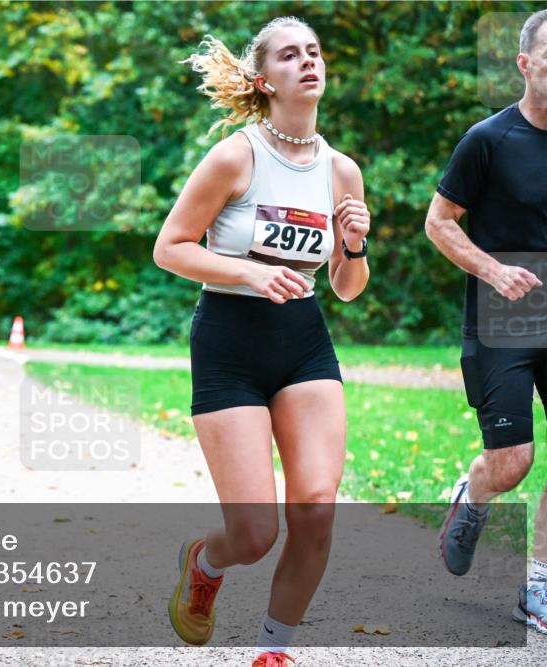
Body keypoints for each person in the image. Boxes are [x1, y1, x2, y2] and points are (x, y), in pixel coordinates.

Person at [153, 16, 371, 666]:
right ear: (262, 79)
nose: (308, 62)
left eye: (314, 52)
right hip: (228, 339)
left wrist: (354, 244)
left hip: (303, 341)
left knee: (316, 506)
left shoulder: (342, 171)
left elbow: (348, 286)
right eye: (289, 55)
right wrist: (249, 270)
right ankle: (205, 560)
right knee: (253, 533)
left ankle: (273, 650)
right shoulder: (235, 156)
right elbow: (169, 248)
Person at [426, 9, 547, 634]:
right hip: (505, 311)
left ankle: (538, 585)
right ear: (525, 64)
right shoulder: (488, 139)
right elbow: (439, 222)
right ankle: (473, 493)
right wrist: (494, 271)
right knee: (513, 462)